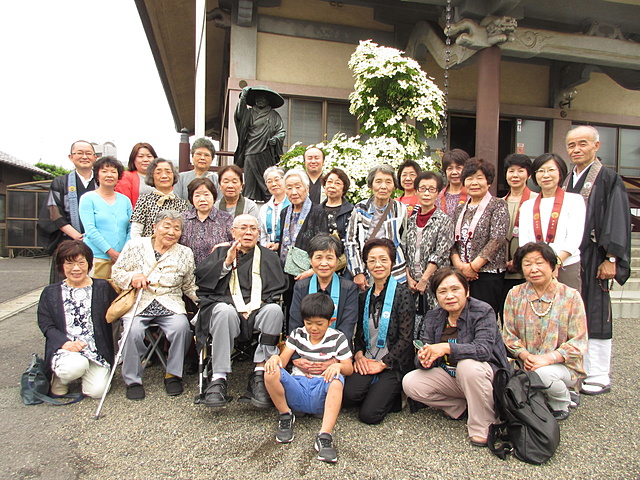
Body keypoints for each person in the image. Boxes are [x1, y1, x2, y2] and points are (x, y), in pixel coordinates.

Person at [403, 267, 510, 447]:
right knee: (411, 382)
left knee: (467, 366)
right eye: (442, 292)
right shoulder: (433, 316)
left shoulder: (482, 311)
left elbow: (483, 350)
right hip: (453, 377)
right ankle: (459, 407)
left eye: (455, 289)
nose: (449, 296)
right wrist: (424, 359)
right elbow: (426, 348)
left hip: (486, 376)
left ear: (466, 290)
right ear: (436, 296)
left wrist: (446, 348)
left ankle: (484, 425)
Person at [563, 125, 631, 395]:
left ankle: (599, 373)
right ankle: (573, 369)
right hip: (570, 256)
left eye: (582, 144)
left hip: (595, 255)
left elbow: (617, 217)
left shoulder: (608, 178)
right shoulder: (567, 180)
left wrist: (611, 257)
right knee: (571, 312)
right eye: (571, 145)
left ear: (596, 146)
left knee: (596, 311)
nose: (576, 149)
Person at [194, 214, 287, 408]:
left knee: (274, 311)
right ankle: (218, 378)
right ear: (233, 231)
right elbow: (204, 284)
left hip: (258, 310)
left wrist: (258, 303)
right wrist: (226, 263)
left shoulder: (269, 257)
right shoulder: (220, 253)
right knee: (222, 311)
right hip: (228, 309)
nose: (248, 232)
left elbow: (278, 288)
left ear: (259, 233)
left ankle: (260, 374)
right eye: (243, 227)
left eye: (253, 228)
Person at [111, 210, 198, 400]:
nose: (171, 232)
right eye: (166, 226)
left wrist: (202, 299)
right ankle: (133, 379)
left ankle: (173, 374)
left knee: (181, 327)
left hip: (170, 302)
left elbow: (189, 285)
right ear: (154, 227)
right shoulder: (135, 245)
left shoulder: (185, 253)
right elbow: (116, 272)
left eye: (176, 228)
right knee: (132, 331)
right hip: (140, 301)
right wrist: (133, 277)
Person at [502, 242, 588, 420]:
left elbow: (579, 341)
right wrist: (526, 356)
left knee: (542, 373)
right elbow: (509, 335)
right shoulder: (515, 294)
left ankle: (562, 400)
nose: (533, 269)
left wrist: (546, 359)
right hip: (526, 363)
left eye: (539, 263)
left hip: (562, 367)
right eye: (527, 264)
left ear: (552, 265)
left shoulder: (570, 296)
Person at [264, 293, 353, 463]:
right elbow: (282, 361)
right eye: (308, 323)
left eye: (319, 324)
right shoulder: (298, 334)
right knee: (270, 370)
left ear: (331, 321)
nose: (313, 328)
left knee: (337, 380)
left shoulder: (338, 338)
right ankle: (285, 415)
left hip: (321, 389)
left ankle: (325, 435)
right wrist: (275, 358)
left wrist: (338, 366)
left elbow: (349, 368)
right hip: (298, 387)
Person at [343, 238, 414, 424]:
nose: (378, 265)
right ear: (366, 264)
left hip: (391, 363)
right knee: (348, 396)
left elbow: (406, 340)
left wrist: (382, 364)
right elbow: (358, 335)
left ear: (392, 262)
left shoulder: (403, 294)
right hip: (368, 358)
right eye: (372, 260)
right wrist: (358, 355)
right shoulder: (364, 296)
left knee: (369, 415)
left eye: (383, 259)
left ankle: (394, 394)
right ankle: (375, 389)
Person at [37, 240, 117, 398]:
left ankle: (87, 372)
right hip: (66, 349)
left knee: (97, 392)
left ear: (89, 263)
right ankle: (62, 378)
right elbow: (46, 325)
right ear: (61, 265)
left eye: (81, 262)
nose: (76, 268)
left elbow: (116, 312)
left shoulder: (102, 287)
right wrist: (65, 343)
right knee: (74, 366)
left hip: (95, 351)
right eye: (70, 263)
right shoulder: (51, 292)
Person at [519, 153, 586, 291]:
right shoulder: (527, 205)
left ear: (560, 173)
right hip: (536, 268)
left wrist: (556, 263)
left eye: (551, 170)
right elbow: (524, 242)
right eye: (541, 171)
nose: (546, 175)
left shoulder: (575, 200)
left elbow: (574, 237)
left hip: (567, 264)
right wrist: (539, 264)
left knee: (567, 308)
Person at [451, 158, 508, 315]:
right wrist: (460, 266)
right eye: (469, 178)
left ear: (488, 182)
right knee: (461, 318)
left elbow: (497, 239)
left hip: (487, 274)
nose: (474, 182)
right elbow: (452, 241)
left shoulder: (498, 205)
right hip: (461, 274)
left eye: (479, 178)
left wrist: (473, 267)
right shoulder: (459, 209)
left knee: (483, 319)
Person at [38, 140, 97, 283]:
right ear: (71, 157)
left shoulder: (102, 181)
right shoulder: (60, 182)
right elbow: (53, 211)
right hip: (68, 241)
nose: (84, 157)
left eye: (88, 153)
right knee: (65, 285)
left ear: (95, 158)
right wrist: (76, 235)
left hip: (98, 242)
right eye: (79, 153)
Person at [289, 234, 358, 353]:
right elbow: (295, 324)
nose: (324, 263)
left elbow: (347, 327)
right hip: (304, 352)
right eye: (318, 257)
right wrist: (298, 357)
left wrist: (335, 359)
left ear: (337, 261)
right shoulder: (301, 287)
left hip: (338, 355)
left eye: (329, 258)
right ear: (310, 260)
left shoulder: (348, 288)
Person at [277, 169, 329, 321]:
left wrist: (313, 270)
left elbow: (323, 246)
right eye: (289, 187)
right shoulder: (284, 212)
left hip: (309, 274)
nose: (294, 192)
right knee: (289, 313)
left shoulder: (318, 212)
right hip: (286, 276)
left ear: (307, 188)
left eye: (298, 187)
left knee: (308, 314)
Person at [345, 164, 408, 291]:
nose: (383, 186)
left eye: (388, 182)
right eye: (378, 181)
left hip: (395, 271)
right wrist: (357, 272)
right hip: (367, 270)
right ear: (371, 185)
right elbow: (350, 241)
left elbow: (405, 241)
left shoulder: (401, 208)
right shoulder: (360, 208)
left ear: (394, 186)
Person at [403, 171, 454, 313]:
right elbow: (405, 251)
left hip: (435, 283)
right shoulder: (410, 221)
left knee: (435, 320)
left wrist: (424, 279)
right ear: (416, 192)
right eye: (422, 189)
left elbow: (441, 253)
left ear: (438, 193)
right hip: (412, 285)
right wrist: (409, 278)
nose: (427, 193)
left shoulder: (444, 220)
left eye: (432, 189)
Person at [79, 156, 132, 279]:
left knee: (119, 295)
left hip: (121, 259)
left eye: (113, 171)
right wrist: (111, 252)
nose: (109, 175)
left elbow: (131, 227)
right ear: (97, 175)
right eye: (104, 171)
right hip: (96, 257)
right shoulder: (88, 198)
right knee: (97, 294)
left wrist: (123, 252)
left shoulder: (125, 200)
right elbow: (90, 230)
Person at [234, 86, 286, 202]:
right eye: (258, 98)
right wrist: (243, 97)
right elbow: (239, 115)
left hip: (266, 151)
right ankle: (248, 203)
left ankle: (271, 201)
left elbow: (281, 131)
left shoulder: (274, 115)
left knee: (267, 179)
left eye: (263, 98)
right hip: (250, 150)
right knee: (250, 180)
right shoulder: (250, 113)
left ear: (268, 100)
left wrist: (276, 138)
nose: (260, 100)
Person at [501, 154, 538, 308]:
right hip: (501, 270)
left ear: (528, 174)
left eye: (520, 171)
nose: (515, 175)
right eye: (511, 171)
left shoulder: (537, 201)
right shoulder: (499, 203)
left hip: (528, 269)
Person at [179, 177, 233, 266]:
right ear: (191, 199)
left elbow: (238, 242)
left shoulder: (226, 218)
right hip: (188, 273)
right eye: (197, 195)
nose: (202, 199)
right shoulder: (183, 219)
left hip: (218, 272)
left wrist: (227, 244)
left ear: (214, 197)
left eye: (206, 194)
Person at [129, 158, 190, 238]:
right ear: (152, 176)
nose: (164, 176)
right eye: (158, 172)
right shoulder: (144, 200)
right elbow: (135, 232)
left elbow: (184, 231)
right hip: (148, 248)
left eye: (168, 172)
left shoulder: (181, 203)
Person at [174, 137, 219, 203]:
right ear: (192, 156)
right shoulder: (181, 178)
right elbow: (177, 201)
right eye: (199, 154)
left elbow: (218, 203)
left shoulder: (217, 179)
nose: (202, 158)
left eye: (206, 155)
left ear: (212, 159)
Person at [115, 142, 157, 207]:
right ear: (133, 159)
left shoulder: (162, 176)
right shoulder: (126, 177)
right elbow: (124, 203)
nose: (145, 160)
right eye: (141, 156)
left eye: (149, 156)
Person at [258, 166, 290, 250]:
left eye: (277, 180)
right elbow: (262, 234)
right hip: (269, 251)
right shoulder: (265, 208)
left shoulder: (292, 204)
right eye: (269, 181)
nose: (274, 184)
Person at [321, 167, 354, 244]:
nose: (332, 186)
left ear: (344, 188)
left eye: (337, 183)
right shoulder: (316, 210)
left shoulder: (351, 211)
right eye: (329, 182)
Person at [435, 148, 470, 219]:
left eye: (458, 168)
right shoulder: (438, 197)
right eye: (450, 168)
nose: (454, 172)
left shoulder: (472, 195)